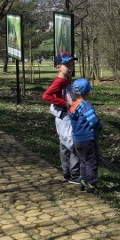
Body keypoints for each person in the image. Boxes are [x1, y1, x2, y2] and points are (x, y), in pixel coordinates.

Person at [42, 53, 80, 184]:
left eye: (72, 65)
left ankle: (67, 173)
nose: (70, 68)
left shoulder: (65, 80)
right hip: (64, 117)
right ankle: (75, 176)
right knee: (73, 144)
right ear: (58, 67)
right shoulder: (59, 81)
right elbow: (46, 96)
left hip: (66, 116)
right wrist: (64, 104)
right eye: (67, 65)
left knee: (64, 144)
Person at [68, 77, 103, 193]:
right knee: (92, 162)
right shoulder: (86, 107)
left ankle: (83, 180)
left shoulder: (73, 106)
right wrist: (99, 126)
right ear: (87, 92)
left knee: (83, 161)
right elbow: (93, 121)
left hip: (77, 140)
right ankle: (91, 184)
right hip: (88, 139)